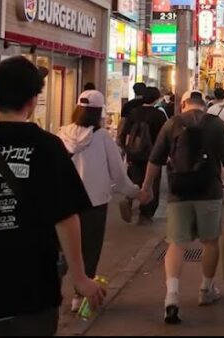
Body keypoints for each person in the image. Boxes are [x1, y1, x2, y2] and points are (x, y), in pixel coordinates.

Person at [0, 56, 105, 336]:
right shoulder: (49, 148)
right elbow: (66, 219)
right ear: (33, 100)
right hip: (30, 291)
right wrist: (80, 277)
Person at [138, 90, 224, 325]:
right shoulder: (216, 125)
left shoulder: (171, 124)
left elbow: (155, 160)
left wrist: (146, 187)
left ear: (185, 104)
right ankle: (206, 289)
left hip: (179, 193)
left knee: (176, 244)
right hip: (210, 191)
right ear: (203, 104)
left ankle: (172, 296)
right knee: (210, 242)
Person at [58, 89, 139, 312]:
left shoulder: (61, 134)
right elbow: (117, 172)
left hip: (64, 202)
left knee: (63, 247)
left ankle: (53, 289)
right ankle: (79, 297)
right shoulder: (102, 137)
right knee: (89, 249)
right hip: (94, 202)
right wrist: (133, 191)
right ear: (98, 112)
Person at [117, 86, 168, 224]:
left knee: (135, 179)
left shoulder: (134, 112)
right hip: (153, 155)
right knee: (151, 183)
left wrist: (125, 148)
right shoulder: (159, 115)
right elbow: (164, 137)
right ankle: (145, 215)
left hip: (134, 154)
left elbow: (125, 132)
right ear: (156, 98)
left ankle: (128, 198)